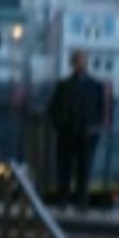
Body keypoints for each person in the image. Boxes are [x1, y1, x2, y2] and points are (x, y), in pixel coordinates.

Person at [49, 49, 106, 210]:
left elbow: (100, 110)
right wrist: (60, 125)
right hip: (67, 133)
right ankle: (63, 200)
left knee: (84, 169)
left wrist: (94, 129)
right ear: (73, 63)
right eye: (78, 61)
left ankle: (81, 202)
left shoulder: (95, 86)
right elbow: (54, 107)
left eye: (83, 61)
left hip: (87, 135)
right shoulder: (64, 85)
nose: (80, 64)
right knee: (64, 169)